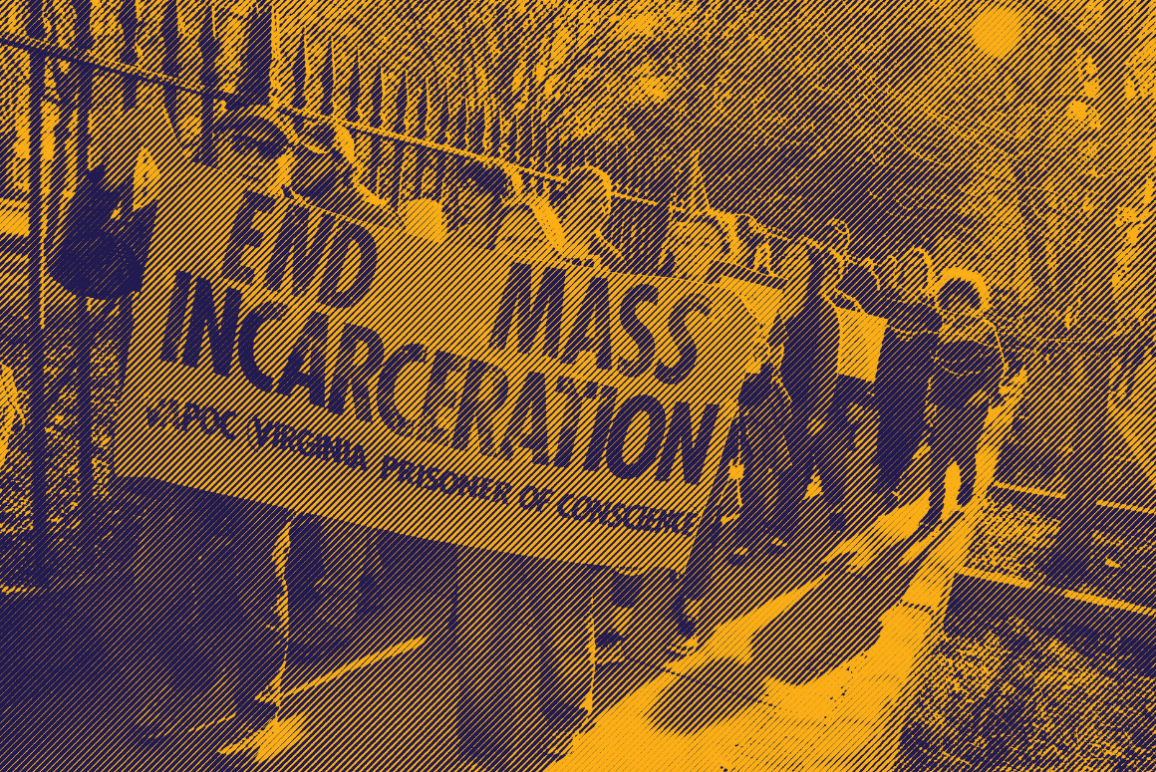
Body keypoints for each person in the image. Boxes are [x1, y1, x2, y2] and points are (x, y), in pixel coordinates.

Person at [128, 105, 301, 764]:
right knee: (157, 582)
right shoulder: (175, 215)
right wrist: (101, 184)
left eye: (272, 149)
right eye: (244, 144)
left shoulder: (314, 240)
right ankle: (193, 676)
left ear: (286, 161)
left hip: (267, 451)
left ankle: (259, 706)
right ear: (216, 148)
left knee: (259, 590)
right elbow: (85, 270)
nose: (258, 157)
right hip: (188, 442)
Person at [918, 267, 1009, 532]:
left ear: (975, 303)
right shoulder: (942, 330)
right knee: (938, 455)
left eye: (964, 303)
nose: (959, 309)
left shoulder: (985, 330)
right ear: (945, 302)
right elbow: (933, 368)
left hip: (974, 403)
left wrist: (985, 392)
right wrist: (930, 401)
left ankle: (968, 482)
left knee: (964, 451)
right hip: (944, 401)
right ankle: (934, 508)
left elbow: (997, 366)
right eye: (953, 303)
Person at [773, 238, 845, 536]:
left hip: (802, 400)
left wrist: (817, 412)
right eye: (788, 260)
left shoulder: (825, 313)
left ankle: (784, 526)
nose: (790, 266)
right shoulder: (778, 301)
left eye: (798, 263)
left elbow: (826, 368)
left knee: (796, 463)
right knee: (770, 460)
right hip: (769, 394)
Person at [872, 247, 942, 504]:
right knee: (888, 426)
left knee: (909, 431)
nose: (913, 274)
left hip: (915, 382)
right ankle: (885, 477)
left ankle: (893, 476)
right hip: (888, 376)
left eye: (918, 270)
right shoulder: (887, 302)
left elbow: (937, 349)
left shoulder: (932, 312)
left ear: (925, 276)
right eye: (909, 269)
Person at [290, 119, 401, 231]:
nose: (298, 164)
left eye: (311, 158)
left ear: (341, 165)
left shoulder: (373, 215)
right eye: (299, 154)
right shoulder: (314, 205)